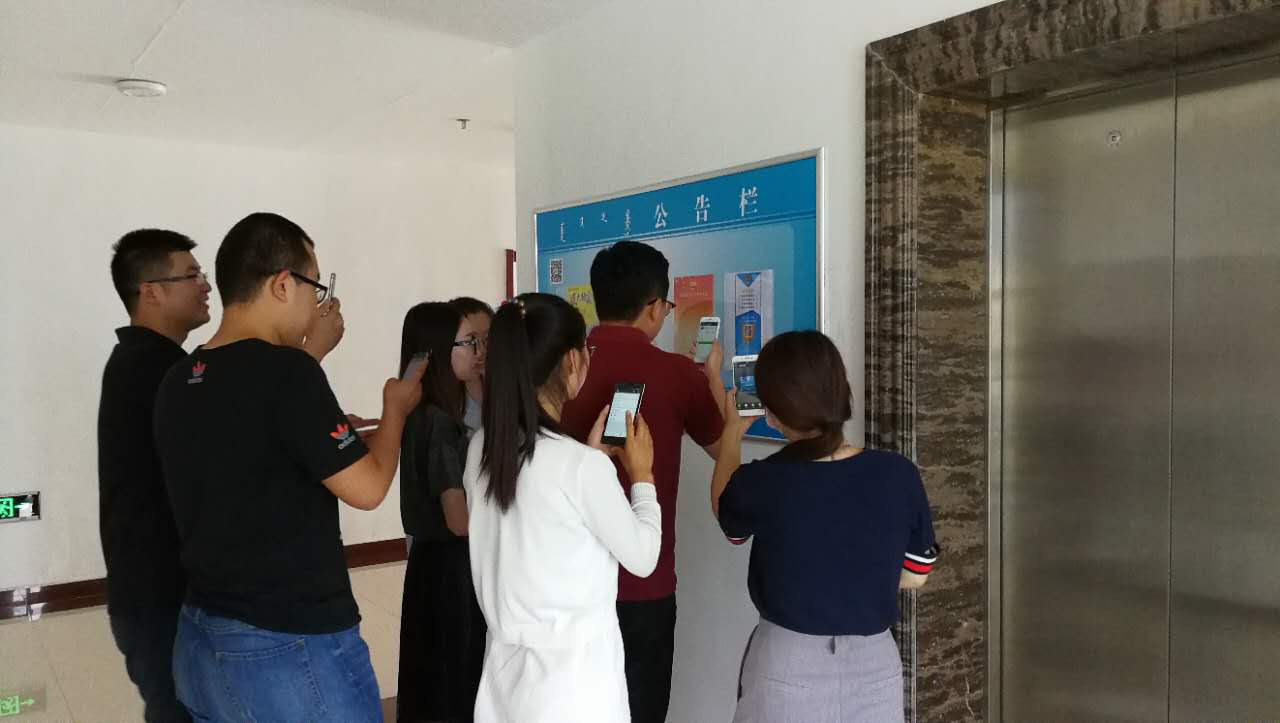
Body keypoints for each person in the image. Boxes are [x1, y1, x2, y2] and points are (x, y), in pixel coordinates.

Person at [153, 212, 425, 722]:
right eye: (314, 286)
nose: (318, 304)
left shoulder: (180, 377)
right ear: (282, 284)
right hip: (288, 644)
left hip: (200, 638)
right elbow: (368, 488)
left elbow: (252, 445)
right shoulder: (288, 373)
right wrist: (396, 410)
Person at [709, 331, 940, 723]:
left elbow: (728, 517)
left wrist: (731, 431)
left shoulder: (764, 481)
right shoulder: (897, 474)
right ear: (840, 392)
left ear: (773, 414)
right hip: (875, 667)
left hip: (786, 665)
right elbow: (917, 574)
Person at [463, 293, 662, 723]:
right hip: (573, 690)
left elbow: (542, 512)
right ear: (572, 361)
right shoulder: (580, 468)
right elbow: (643, 557)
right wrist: (642, 476)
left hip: (504, 682)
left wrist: (589, 459)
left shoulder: (482, 447)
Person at [559, 240, 725, 723]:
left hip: (568, 582)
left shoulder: (560, 366)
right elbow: (723, 450)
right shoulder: (676, 373)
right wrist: (713, 382)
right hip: (643, 585)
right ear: (654, 307)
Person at [98, 229, 211, 723]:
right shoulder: (158, 370)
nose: (206, 285)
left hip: (151, 592)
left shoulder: (147, 363)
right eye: (191, 275)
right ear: (150, 292)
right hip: (161, 596)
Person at [396, 302, 486, 723]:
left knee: (430, 679)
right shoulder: (441, 424)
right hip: (453, 569)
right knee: (455, 680)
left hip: (427, 565)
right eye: (469, 342)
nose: (479, 352)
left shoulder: (417, 413)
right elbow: (459, 520)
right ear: (437, 351)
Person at [448, 296, 494, 436]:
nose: (481, 351)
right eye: (470, 342)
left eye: (487, 339)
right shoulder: (438, 402)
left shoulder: (507, 384)